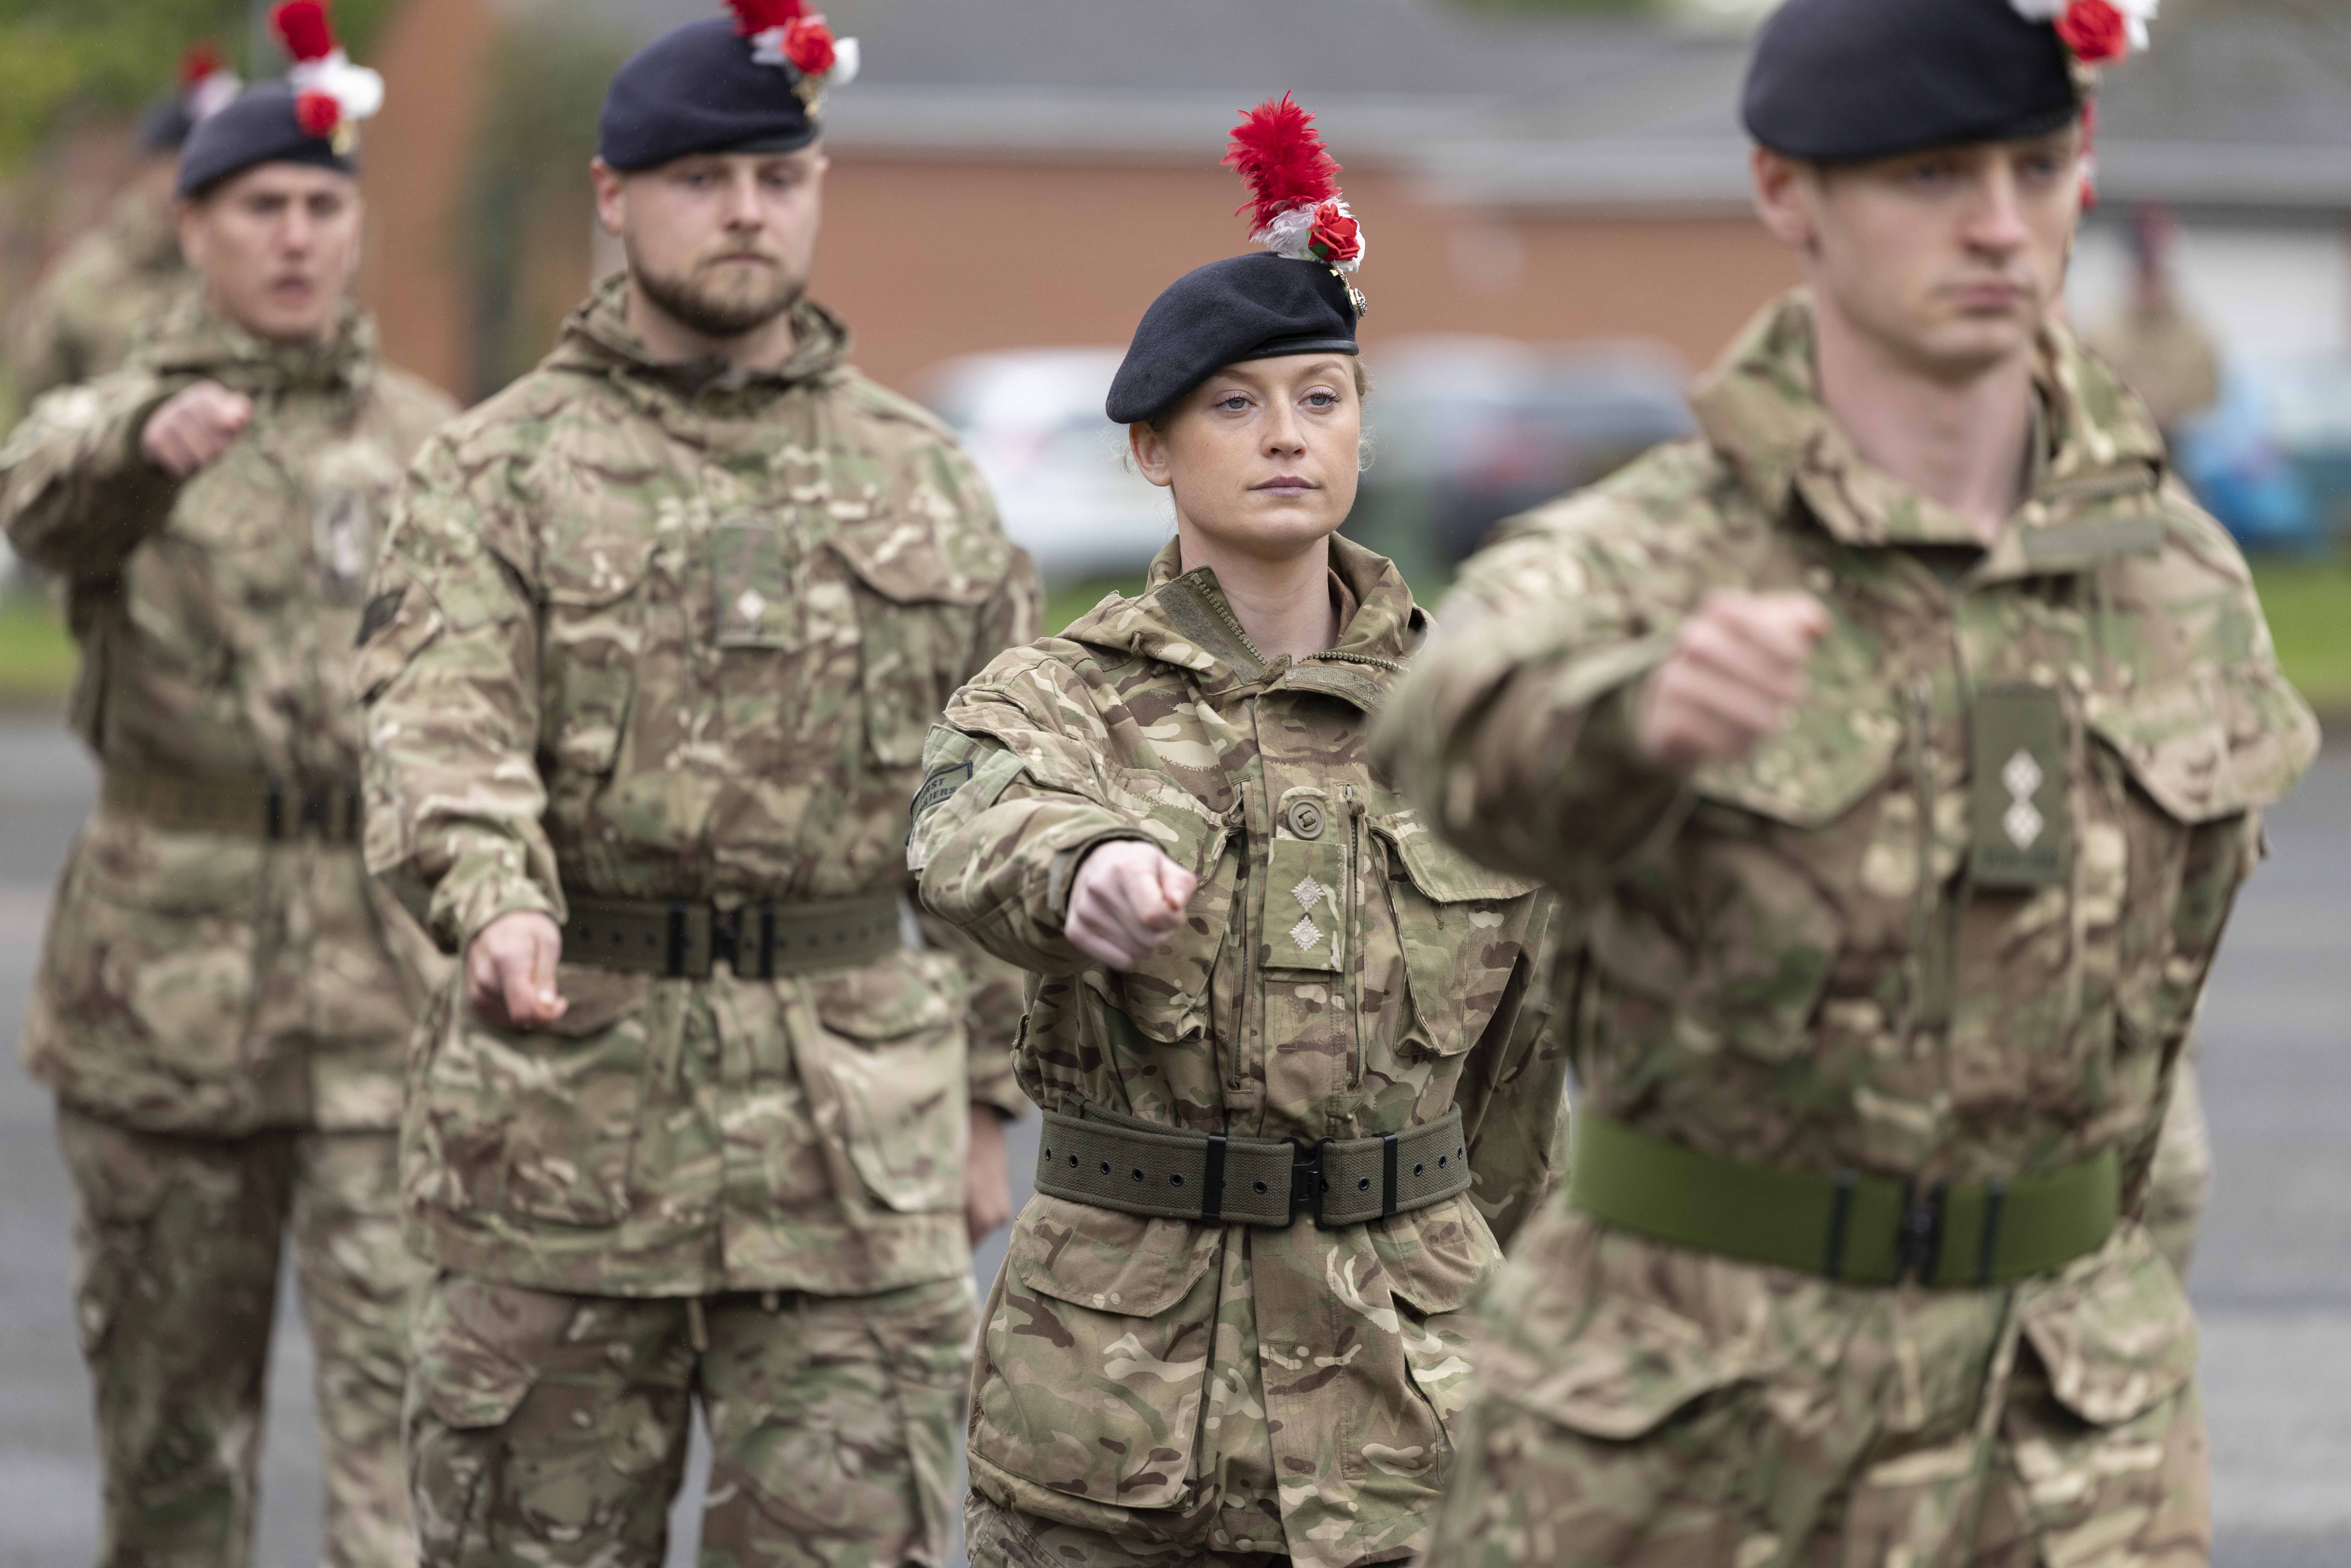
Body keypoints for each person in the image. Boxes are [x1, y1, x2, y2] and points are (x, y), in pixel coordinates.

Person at [1375, 1, 2320, 1563]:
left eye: (2037, 164)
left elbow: (2160, 1026)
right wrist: (1638, 719)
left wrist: (2125, 1303)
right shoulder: (1657, 548)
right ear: (1785, 191)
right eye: (1933, 177)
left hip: (2071, 1438)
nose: (2001, 227)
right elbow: (1446, 726)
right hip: (1698, 1428)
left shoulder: (2172, 573)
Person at [355, 3, 1038, 1560]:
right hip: (563, 1134)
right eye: (703, 177)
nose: (746, 210)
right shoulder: (496, 471)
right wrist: (495, 898)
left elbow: (998, 790)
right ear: (614, 195)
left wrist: (992, 1097)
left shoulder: (924, 480)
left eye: (780, 178)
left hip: (851, 1150)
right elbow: (436, 721)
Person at [909, 97, 1569, 1568]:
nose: (1286, 436)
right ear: (1151, 448)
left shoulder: (1465, 711)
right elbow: (964, 824)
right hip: (1123, 1404)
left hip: (1411, 1398)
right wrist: (1078, 869)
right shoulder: (1063, 691)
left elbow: (1522, 1088)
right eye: (1236, 404)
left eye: (1321, 397)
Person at [0, 7, 449, 1565]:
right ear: (191, 223)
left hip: (389, 1004)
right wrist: (146, 436)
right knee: (175, 1454)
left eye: (326, 207)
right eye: (261, 206)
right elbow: (42, 499)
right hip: (167, 1001)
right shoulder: (117, 416)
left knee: (406, 1459)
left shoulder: (432, 447)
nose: (297, 236)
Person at [7, 42, 238, 406]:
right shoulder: (86, 279)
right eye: (183, 161)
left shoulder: (242, 266)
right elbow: (37, 399)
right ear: (149, 168)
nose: (200, 178)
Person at [2086, 206, 2223, 442]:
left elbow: (2215, 417)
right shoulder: (2098, 338)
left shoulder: (2198, 343)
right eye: (2143, 272)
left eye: (2157, 272)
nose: (2150, 285)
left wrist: (2171, 412)